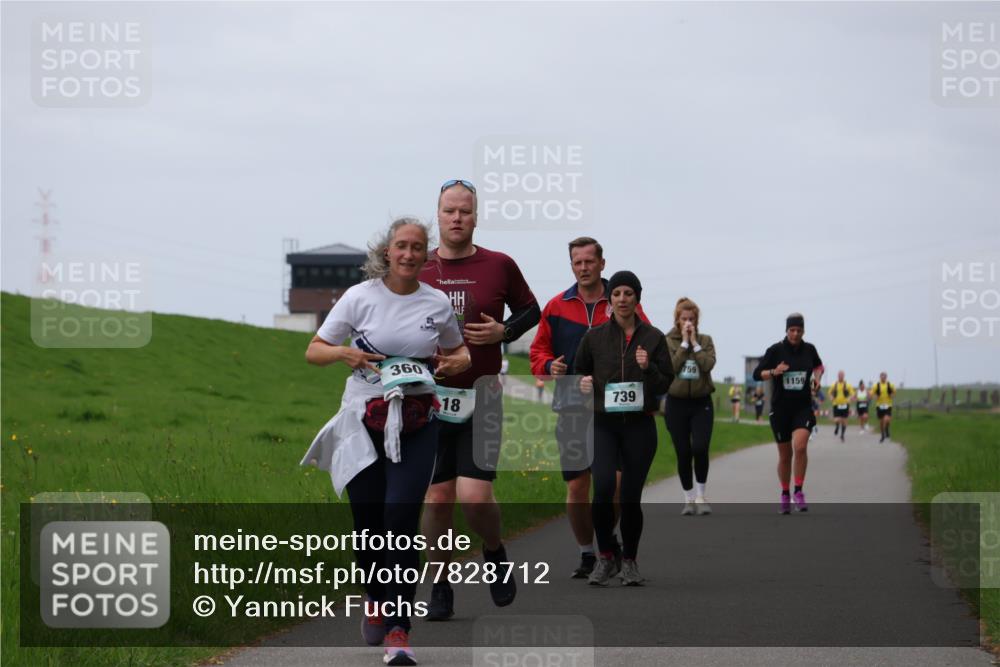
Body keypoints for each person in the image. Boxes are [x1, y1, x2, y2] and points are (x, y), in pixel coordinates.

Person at [300, 218, 472, 666]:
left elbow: (459, 351)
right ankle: (375, 597)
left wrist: (456, 363)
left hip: (417, 422)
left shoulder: (436, 303)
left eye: (417, 247)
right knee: (368, 526)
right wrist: (344, 352)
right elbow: (314, 350)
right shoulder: (359, 297)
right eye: (401, 246)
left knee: (400, 519)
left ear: (425, 254)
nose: (409, 254)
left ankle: (399, 629)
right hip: (362, 422)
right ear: (387, 252)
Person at [419, 179, 540, 621]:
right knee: (437, 499)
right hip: (429, 399)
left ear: (476, 216)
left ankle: (493, 551)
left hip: (483, 395)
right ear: (438, 214)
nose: (457, 218)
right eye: (449, 210)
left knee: (473, 496)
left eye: (465, 211)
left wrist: (504, 332)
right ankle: (440, 585)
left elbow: (532, 310)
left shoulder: (499, 264)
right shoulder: (420, 268)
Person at [529, 237, 649, 578]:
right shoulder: (556, 306)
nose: (583, 268)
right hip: (571, 404)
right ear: (571, 266)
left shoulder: (623, 300)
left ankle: (606, 543)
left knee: (614, 486)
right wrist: (548, 365)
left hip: (614, 408)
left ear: (602, 264)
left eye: (589, 261)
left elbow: (646, 342)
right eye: (577, 262)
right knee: (577, 486)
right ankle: (587, 553)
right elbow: (538, 351)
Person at [575, 271, 672, 586]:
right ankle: (606, 556)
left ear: (637, 298)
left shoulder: (654, 338)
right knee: (603, 488)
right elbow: (579, 373)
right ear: (610, 299)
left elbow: (665, 383)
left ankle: (629, 561)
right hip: (603, 424)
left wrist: (648, 367)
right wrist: (583, 383)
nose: (622, 299)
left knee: (629, 496)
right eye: (616, 293)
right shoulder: (594, 337)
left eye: (628, 293)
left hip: (639, 426)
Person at [752, 313, 824, 514]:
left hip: (802, 408)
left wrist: (817, 378)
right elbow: (757, 374)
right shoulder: (775, 350)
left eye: (799, 330)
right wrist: (773, 372)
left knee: (800, 447)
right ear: (786, 330)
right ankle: (785, 493)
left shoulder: (809, 350)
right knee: (785, 456)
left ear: (803, 331)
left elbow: (818, 365)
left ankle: (798, 491)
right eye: (792, 330)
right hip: (781, 410)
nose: (795, 334)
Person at [663, 297, 717, 516]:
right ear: (677, 320)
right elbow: (671, 368)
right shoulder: (668, 341)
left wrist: (694, 343)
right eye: (684, 319)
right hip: (676, 403)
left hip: (701, 402)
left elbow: (708, 365)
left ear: (696, 321)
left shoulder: (705, 340)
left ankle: (701, 496)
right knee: (683, 452)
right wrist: (684, 344)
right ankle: (689, 498)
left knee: (700, 448)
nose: (688, 323)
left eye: (691, 319)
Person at [829, 370, 854, 443]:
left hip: (845, 405)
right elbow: (830, 393)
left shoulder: (848, 385)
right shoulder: (834, 385)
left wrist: (850, 398)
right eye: (839, 375)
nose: (840, 376)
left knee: (844, 420)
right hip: (836, 404)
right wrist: (831, 397)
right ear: (838, 376)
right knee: (837, 419)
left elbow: (852, 393)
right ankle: (837, 426)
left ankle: (842, 435)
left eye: (842, 375)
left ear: (844, 376)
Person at [872, 372, 895, 443]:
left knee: (887, 419)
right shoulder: (876, 385)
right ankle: (882, 435)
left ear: (886, 377)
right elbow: (872, 393)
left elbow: (894, 393)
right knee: (881, 421)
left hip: (888, 405)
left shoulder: (890, 385)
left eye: (884, 377)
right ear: (880, 377)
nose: (883, 378)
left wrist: (891, 395)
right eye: (882, 377)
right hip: (879, 406)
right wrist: (875, 396)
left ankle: (887, 429)